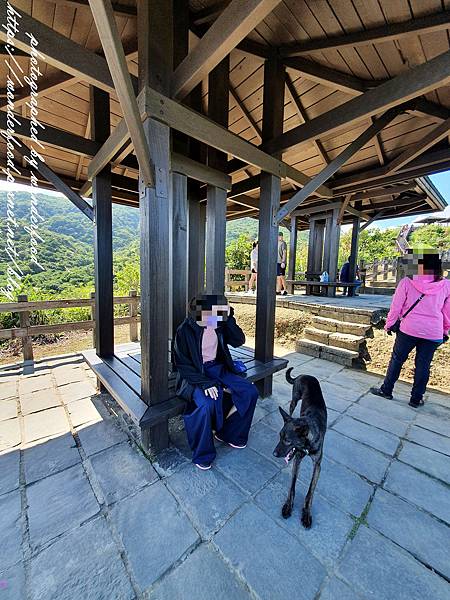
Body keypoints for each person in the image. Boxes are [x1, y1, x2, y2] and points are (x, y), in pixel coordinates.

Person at [173, 294, 258, 470]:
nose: (215, 320)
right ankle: (202, 453)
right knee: (207, 403)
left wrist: (229, 317)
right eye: (212, 315)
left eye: (218, 315)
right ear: (201, 314)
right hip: (196, 374)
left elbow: (238, 341)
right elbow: (182, 364)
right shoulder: (185, 330)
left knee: (250, 392)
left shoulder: (219, 324)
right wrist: (205, 383)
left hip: (218, 368)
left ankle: (230, 434)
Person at [370, 251, 450, 408]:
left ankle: (387, 390)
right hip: (433, 331)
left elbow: (396, 307)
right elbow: (447, 311)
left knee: (397, 360)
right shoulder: (446, 285)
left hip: (409, 329)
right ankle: (416, 398)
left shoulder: (407, 282)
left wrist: (389, 324)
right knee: (424, 364)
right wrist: (445, 330)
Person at [277, 231, 288, 296]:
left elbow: (284, 253)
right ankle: (278, 291)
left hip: (281, 263)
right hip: (277, 262)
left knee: (282, 277)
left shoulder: (283, 243)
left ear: (282, 236)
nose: (279, 237)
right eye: (278, 236)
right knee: (278, 277)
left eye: (280, 236)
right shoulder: (277, 243)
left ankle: (285, 290)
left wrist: (283, 262)